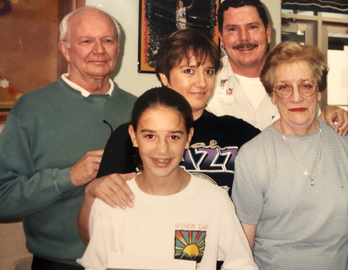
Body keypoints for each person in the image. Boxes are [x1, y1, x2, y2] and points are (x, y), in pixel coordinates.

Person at [0, 6, 136, 270]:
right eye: (86, 41)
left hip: (130, 263)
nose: (99, 50)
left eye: (107, 40)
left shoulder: (140, 109)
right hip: (59, 266)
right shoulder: (31, 110)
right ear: (65, 50)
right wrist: (67, 177)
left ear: (118, 47)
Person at [77, 29, 260, 245]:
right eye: (189, 71)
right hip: (144, 259)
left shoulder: (239, 134)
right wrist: (90, 193)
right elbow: (93, 238)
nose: (202, 82)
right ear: (164, 77)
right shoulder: (129, 138)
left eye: (209, 71)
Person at [78, 87, 259, 270]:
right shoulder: (111, 203)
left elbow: (243, 267)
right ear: (133, 135)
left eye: (173, 137)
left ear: (188, 137)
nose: (162, 149)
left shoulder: (215, 201)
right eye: (150, 136)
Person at [232, 41, 348, 270]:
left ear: (319, 92)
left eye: (306, 85)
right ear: (272, 95)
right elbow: (242, 249)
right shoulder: (253, 156)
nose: (296, 97)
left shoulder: (346, 146)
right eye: (284, 87)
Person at [207, 0, 348, 134]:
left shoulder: (298, 78)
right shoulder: (204, 81)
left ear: (268, 33)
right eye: (233, 29)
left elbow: (311, 132)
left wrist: (327, 116)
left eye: (252, 27)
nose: (244, 37)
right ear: (221, 38)